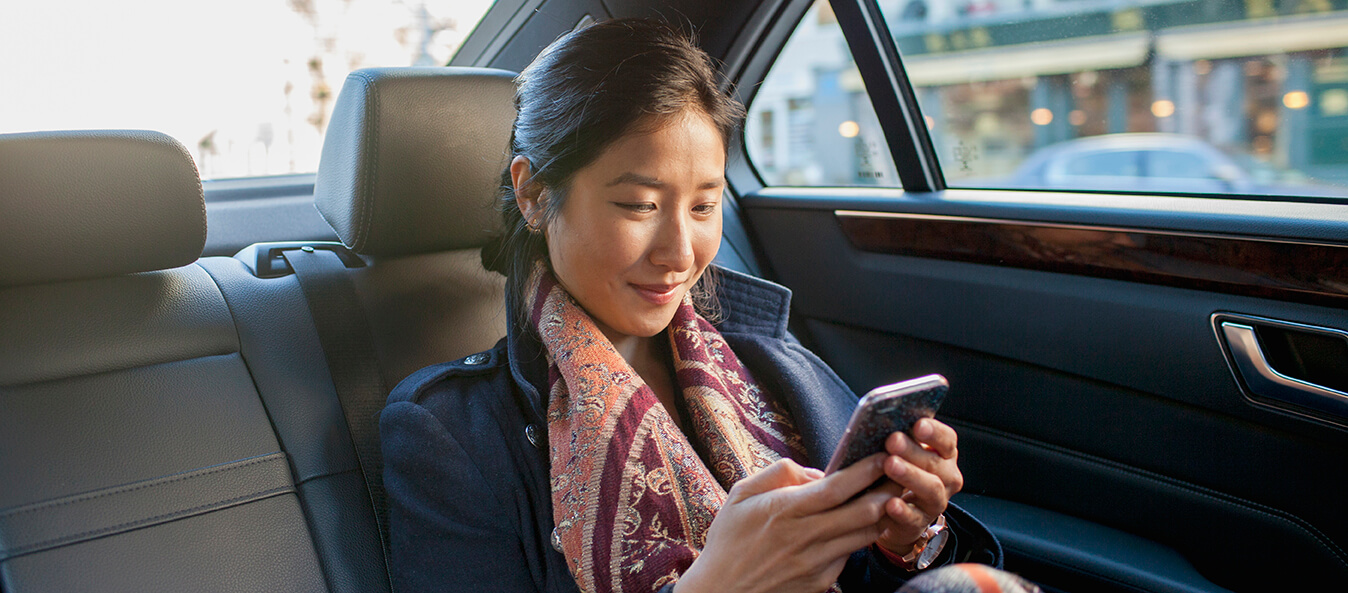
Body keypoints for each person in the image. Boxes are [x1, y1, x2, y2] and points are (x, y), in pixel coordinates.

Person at [381, 18, 1001, 593]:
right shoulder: (450, 434)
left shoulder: (762, 363)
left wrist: (909, 538)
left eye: (704, 207)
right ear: (536, 195)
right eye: (639, 206)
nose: (680, 253)